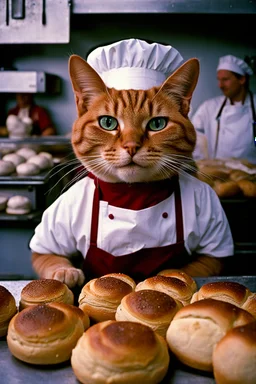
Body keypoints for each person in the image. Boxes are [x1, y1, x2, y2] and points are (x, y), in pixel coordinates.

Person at [29, 39, 234, 288]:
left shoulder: (200, 196)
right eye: (108, 122)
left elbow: (216, 256)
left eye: (156, 123)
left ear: (183, 105)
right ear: (82, 105)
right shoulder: (77, 198)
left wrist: (179, 280)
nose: (131, 144)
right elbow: (43, 252)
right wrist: (58, 267)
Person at [191, 55, 256, 164]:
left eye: (225, 80)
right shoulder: (210, 107)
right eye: (219, 80)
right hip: (219, 172)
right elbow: (192, 132)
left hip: (251, 174)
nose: (220, 85)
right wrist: (201, 158)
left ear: (242, 79)